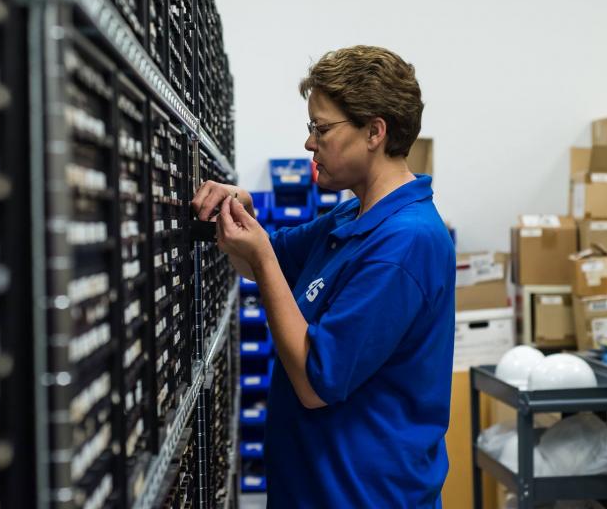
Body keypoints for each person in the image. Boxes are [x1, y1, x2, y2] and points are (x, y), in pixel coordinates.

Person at [191, 45, 455, 507]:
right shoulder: (351, 217)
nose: (311, 143)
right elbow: (254, 260)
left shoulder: (406, 243)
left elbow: (316, 384)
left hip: (365, 497)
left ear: (375, 131)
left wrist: (264, 260)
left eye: (322, 128)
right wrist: (240, 213)